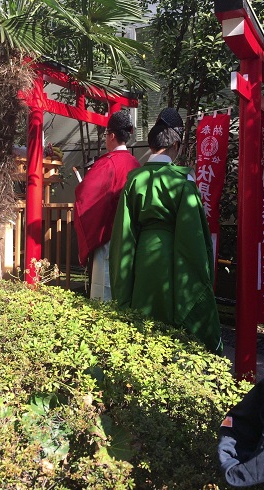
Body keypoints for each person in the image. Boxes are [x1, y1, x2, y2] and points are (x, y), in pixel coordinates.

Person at [109, 107, 223, 354]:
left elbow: (123, 234)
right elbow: (192, 235)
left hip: (141, 260)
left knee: (143, 325)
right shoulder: (183, 180)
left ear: (151, 145)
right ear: (176, 145)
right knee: (173, 322)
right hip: (174, 259)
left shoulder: (134, 179)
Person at [74, 110, 140, 301]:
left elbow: (86, 199)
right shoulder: (135, 164)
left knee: (104, 292)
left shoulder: (107, 164)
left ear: (111, 135)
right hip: (131, 239)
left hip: (108, 239)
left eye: (105, 135)